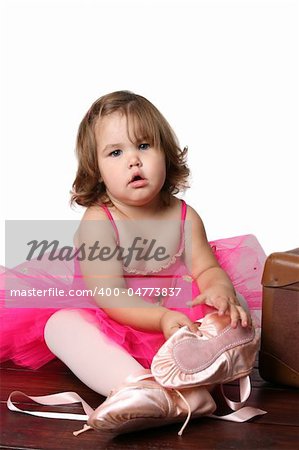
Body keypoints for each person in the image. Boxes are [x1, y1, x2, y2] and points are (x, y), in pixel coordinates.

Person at [1, 91, 265, 435]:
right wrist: (160, 318)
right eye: (115, 152)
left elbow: (207, 268)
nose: (133, 161)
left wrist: (219, 292)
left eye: (144, 146)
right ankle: (144, 388)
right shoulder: (100, 221)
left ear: (166, 154)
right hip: (118, 319)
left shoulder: (185, 216)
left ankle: (200, 375)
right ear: (96, 171)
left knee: (235, 305)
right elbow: (112, 296)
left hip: (181, 327)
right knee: (60, 325)